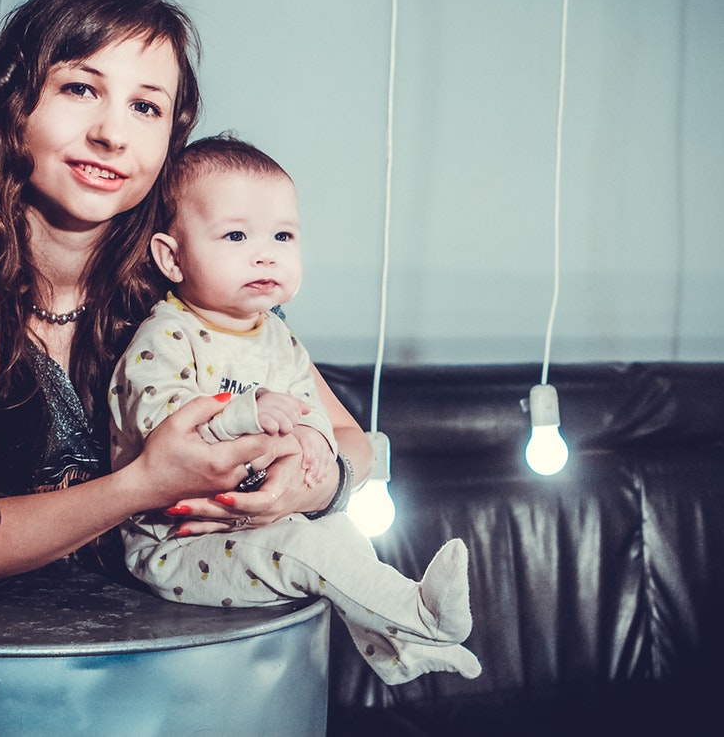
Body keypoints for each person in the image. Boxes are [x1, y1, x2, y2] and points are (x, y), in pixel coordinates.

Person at [0, 0, 371, 590]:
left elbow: (353, 439)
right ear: (13, 102)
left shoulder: (193, 265)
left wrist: (316, 479)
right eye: (81, 88)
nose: (113, 135)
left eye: (146, 107)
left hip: (186, 641)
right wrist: (144, 484)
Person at [108, 135, 481, 685]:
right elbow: (159, 420)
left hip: (258, 520)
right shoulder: (167, 334)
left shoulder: (277, 340)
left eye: (283, 235)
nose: (266, 253)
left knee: (342, 537)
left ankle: (404, 647)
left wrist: (312, 446)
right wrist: (247, 412)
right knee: (306, 548)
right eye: (235, 235)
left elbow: (314, 418)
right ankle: (422, 618)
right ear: (173, 257)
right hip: (177, 546)